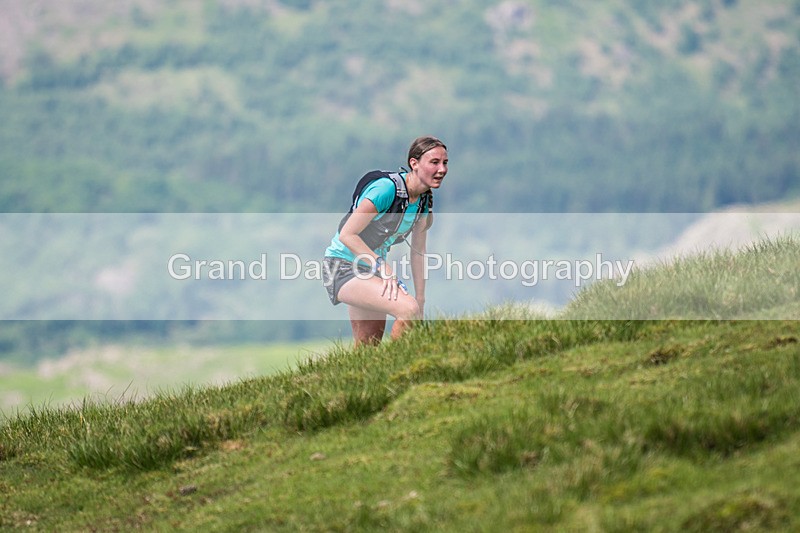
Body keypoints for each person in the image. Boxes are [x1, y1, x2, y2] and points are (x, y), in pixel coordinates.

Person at [323, 136, 448, 346]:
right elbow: (347, 234)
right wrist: (382, 266)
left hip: (371, 270)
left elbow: (418, 252)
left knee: (368, 346)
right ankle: (399, 364)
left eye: (445, 163)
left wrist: (421, 299)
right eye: (434, 162)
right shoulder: (386, 189)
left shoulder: (423, 201)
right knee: (408, 309)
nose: (442, 169)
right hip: (342, 266)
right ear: (414, 163)